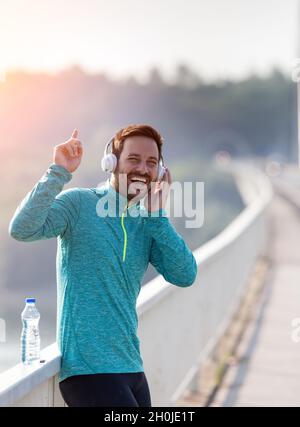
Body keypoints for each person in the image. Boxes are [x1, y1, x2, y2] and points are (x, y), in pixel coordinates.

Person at [8, 124, 197, 407]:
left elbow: (185, 274)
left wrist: (157, 216)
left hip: (132, 368)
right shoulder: (79, 204)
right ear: (111, 161)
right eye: (133, 159)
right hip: (89, 372)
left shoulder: (148, 223)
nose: (143, 169)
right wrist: (58, 171)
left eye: (151, 162)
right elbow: (22, 229)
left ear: (159, 172)